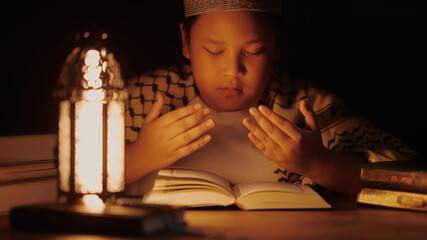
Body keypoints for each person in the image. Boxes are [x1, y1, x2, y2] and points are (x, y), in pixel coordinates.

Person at [124, 0, 417, 196]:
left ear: (276, 47)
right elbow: (77, 177)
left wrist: (318, 164)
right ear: (186, 41)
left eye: (253, 51)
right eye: (214, 51)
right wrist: (139, 157)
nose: (232, 70)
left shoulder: (307, 108)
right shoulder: (145, 98)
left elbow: (413, 186)